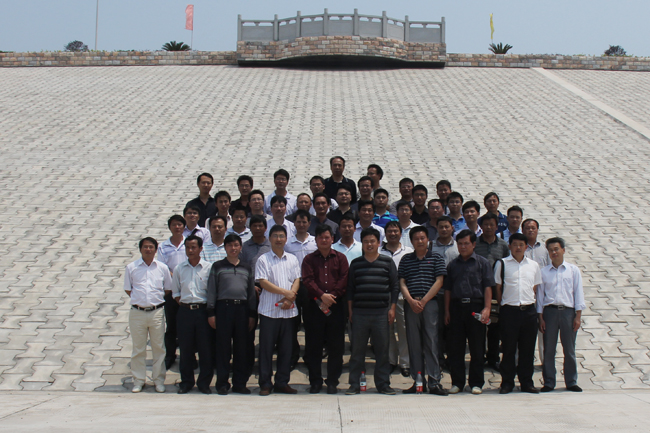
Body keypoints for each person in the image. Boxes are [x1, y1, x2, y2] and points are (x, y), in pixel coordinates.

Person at [346, 228, 399, 395]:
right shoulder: (356, 264)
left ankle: (383, 384)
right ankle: (354, 384)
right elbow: (350, 289)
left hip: (381, 313)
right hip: (360, 313)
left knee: (382, 351)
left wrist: (392, 308)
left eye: (372, 241)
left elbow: (395, 287)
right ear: (362, 244)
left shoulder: (387, 262)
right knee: (357, 351)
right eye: (366, 241)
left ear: (378, 243)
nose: (369, 244)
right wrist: (350, 311)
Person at [399, 226, 448, 395]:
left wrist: (424, 301)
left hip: (430, 304)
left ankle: (434, 381)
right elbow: (402, 282)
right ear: (411, 241)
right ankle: (418, 381)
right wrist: (411, 301)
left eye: (422, 238)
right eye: (416, 239)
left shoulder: (436, 257)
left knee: (432, 342)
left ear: (428, 239)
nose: (420, 241)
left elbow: (439, 281)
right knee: (414, 343)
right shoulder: (406, 259)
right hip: (411, 304)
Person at [444, 230, 493, 395]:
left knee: (477, 348)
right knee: (455, 348)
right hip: (456, 308)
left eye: (466, 243)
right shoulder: (452, 265)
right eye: (460, 244)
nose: (463, 247)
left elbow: (487, 287)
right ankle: (457, 382)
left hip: (476, 307)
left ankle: (476, 383)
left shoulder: (483, 263)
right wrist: (447, 311)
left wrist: (487, 308)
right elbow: (448, 290)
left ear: (474, 244)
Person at [207, 234, 257, 395]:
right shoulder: (217, 266)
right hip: (224, 308)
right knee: (223, 348)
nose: (233, 248)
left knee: (241, 348)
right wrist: (211, 312)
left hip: (242, 310)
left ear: (240, 247)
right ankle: (222, 383)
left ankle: (239, 383)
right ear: (225, 247)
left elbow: (251, 292)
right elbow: (212, 290)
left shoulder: (246, 267)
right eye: (230, 245)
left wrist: (252, 314)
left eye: (236, 245)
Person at [302, 225, 349, 394]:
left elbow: (344, 279)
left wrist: (331, 297)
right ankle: (315, 381)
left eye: (327, 237)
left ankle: (332, 381)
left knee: (336, 346)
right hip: (314, 306)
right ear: (315, 240)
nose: (324, 240)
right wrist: (322, 296)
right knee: (313, 346)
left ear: (332, 239)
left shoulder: (341, 258)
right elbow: (308, 280)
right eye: (320, 237)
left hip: (336, 307)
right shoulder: (309, 259)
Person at [255, 225, 301, 395]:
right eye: (275, 236)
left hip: (289, 311)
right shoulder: (263, 259)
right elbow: (263, 282)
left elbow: (297, 279)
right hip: (269, 312)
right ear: (270, 238)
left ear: (286, 239)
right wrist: (285, 293)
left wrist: (290, 297)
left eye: (282, 236)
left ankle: (282, 382)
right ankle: (265, 383)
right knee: (266, 350)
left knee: (286, 350)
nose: (279, 239)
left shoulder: (292, 259)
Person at [494, 233, 542, 394]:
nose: (518, 248)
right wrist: (504, 304)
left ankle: (526, 382)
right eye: (515, 244)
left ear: (526, 247)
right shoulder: (502, 264)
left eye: (521, 245)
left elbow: (535, 288)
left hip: (528, 311)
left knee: (527, 350)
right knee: (508, 349)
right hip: (509, 311)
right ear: (510, 246)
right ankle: (507, 383)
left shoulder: (533, 265)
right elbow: (498, 287)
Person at [124, 237, 172, 393]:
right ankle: (138, 380)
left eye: (151, 247)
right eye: (145, 247)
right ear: (140, 249)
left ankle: (158, 380)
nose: (148, 249)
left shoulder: (162, 268)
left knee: (159, 348)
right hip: (137, 313)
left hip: (156, 312)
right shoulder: (131, 267)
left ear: (156, 250)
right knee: (138, 349)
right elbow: (128, 289)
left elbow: (167, 288)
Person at [537, 237, 585, 393]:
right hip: (549, 312)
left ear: (563, 250)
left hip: (568, 312)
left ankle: (571, 381)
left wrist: (578, 316)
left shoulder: (573, 270)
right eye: (551, 250)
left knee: (569, 349)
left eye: (556, 249)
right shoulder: (544, 272)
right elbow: (540, 296)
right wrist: (540, 317)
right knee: (549, 349)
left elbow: (578, 293)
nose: (554, 252)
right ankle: (549, 382)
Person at [172, 235, 214, 394]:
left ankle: (204, 383)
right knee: (186, 350)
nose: (190, 250)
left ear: (201, 249)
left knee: (205, 349)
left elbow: (212, 292)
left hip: (203, 311)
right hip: (185, 312)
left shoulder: (209, 268)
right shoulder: (179, 268)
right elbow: (176, 293)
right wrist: (187, 306)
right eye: (187, 247)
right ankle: (186, 382)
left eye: (193, 247)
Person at [474, 212, 510, 371]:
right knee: (478, 326)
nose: (488, 227)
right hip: (477, 290)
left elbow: (506, 266)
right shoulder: (475, 243)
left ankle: (493, 357)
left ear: (497, 226)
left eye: (492, 224)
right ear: (480, 226)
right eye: (486, 224)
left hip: (495, 290)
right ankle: (479, 356)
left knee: (494, 326)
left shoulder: (503, 245)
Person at [284, 209, 317, 369]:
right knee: (292, 323)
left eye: (304, 222)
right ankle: (292, 355)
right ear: (294, 224)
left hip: (311, 287)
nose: (301, 224)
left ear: (309, 224)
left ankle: (310, 356)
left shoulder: (315, 242)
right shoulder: (288, 243)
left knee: (311, 324)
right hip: (293, 287)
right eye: (298, 222)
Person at [240, 215, 272, 378]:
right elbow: (241, 269)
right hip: (250, 290)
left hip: (270, 290)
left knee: (268, 331)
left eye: (261, 226)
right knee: (249, 328)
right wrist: (250, 286)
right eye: (255, 226)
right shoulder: (244, 247)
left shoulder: (271, 245)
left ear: (265, 228)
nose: (258, 228)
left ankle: (266, 365)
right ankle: (248, 364)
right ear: (250, 228)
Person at [381, 221, 413, 378]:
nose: (392, 234)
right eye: (389, 231)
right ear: (385, 234)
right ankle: (391, 360)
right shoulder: (379, 252)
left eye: (395, 231)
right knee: (386, 330)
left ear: (401, 233)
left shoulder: (409, 252)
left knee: (404, 330)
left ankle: (405, 362)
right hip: (383, 297)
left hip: (403, 298)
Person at [157, 214, 187, 370]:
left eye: (180, 224)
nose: (177, 227)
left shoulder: (189, 243)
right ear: (170, 227)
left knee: (187, 327)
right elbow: (162, 268)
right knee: (171, 325)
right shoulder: (163, 246)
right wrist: (176, 277)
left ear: (184, 227)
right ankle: (169, 355)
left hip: (187, 290)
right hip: (170, 291)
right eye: (174, 225)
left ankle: (188, 357)